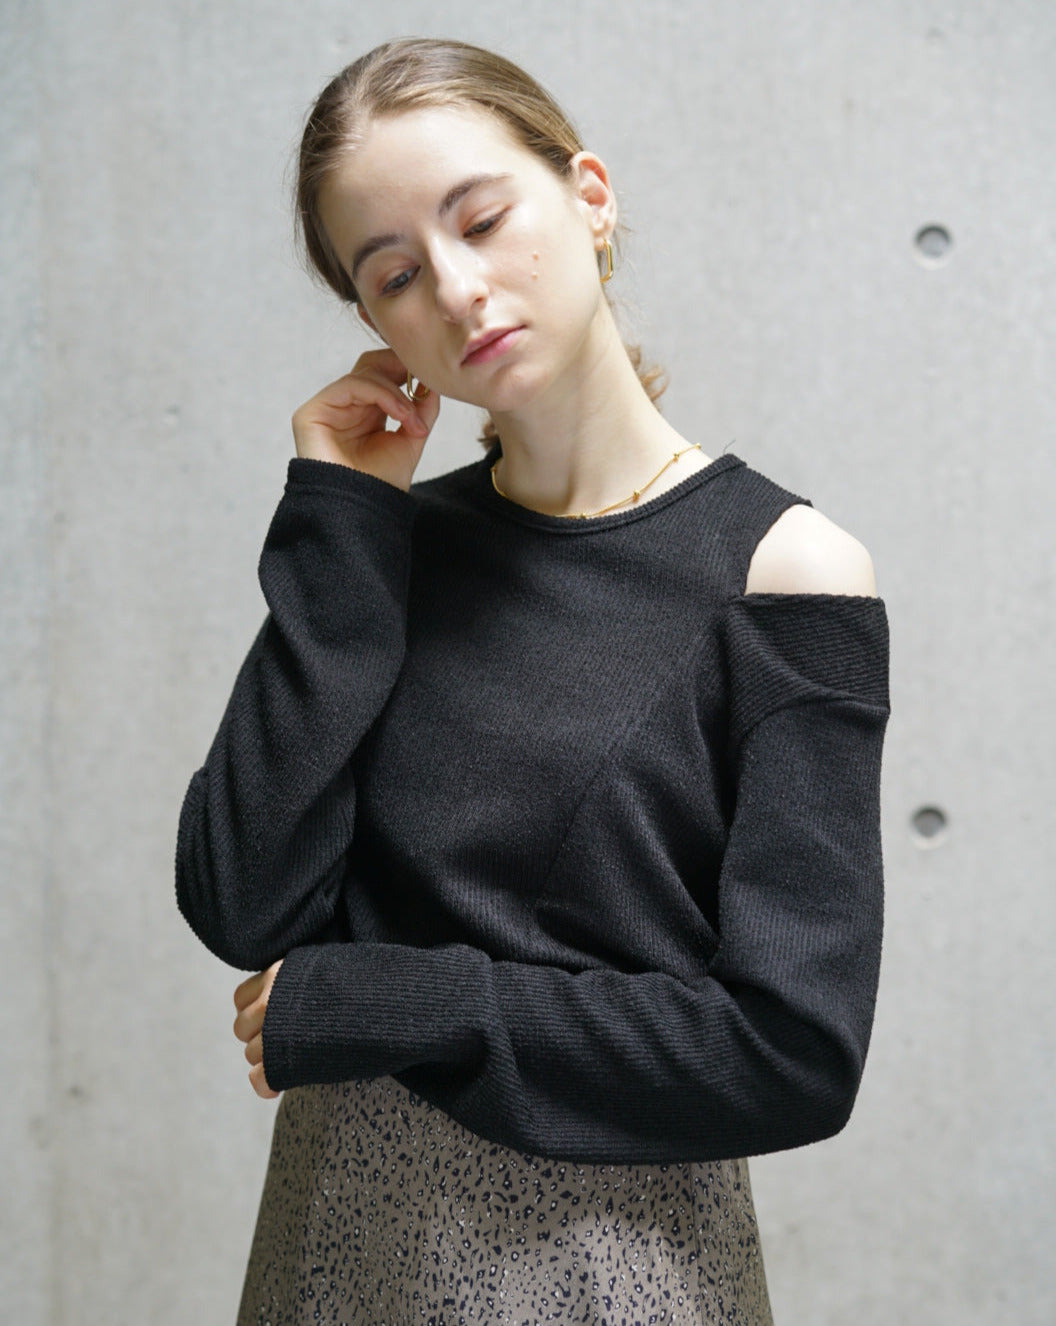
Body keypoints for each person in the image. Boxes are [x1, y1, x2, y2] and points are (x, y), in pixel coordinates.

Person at [175, 36, 889, 1325]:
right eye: (395, 274)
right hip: (333, 1246)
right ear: (375, 324)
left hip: (610, 1268)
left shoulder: (786, 576)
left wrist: (413, 1001)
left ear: (590, 197)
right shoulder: (387, 549)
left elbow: (792, 1052)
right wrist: (340, 526)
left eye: (483, 220)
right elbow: (242, 898)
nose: (456, 290)